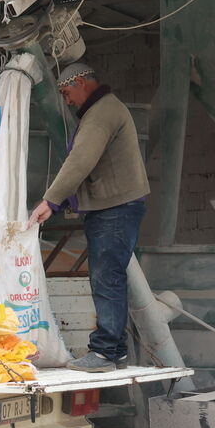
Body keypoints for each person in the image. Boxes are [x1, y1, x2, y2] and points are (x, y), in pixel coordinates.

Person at [29, 63, 149, 373]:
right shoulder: (103, 110)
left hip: (114, 209)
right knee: (109, 277)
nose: (66, 100)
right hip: (115, 206)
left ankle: (105, 352)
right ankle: (115, 350)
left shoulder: (101, 114)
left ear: (81, 82)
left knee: (106, 278)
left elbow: (80, 161)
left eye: (66, 92)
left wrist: (51, 200)